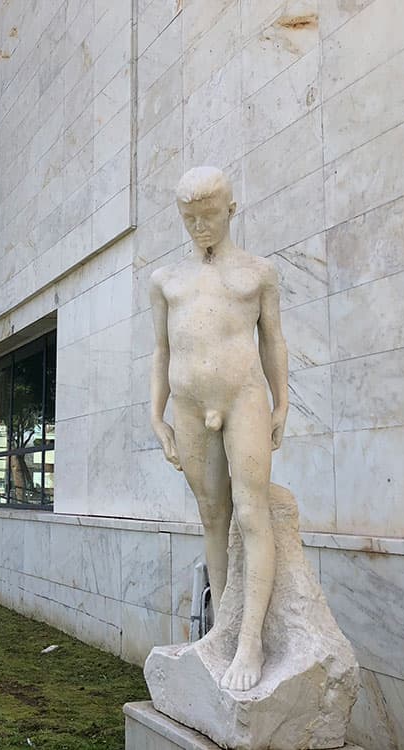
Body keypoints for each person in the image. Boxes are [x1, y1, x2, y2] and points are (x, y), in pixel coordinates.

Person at [148, 166, 289, 691]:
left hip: (244, 396)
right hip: (188, 405)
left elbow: (273, 341)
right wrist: (154, 414)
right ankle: (227, 630)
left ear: (230, 210)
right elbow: (161, 349)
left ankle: (251, 639)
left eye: (208, 216)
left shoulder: (257, 272)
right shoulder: (166, 280)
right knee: (212, 517)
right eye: (189, 219)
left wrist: (282, 403)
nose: (199, 227)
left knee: (253, 513)